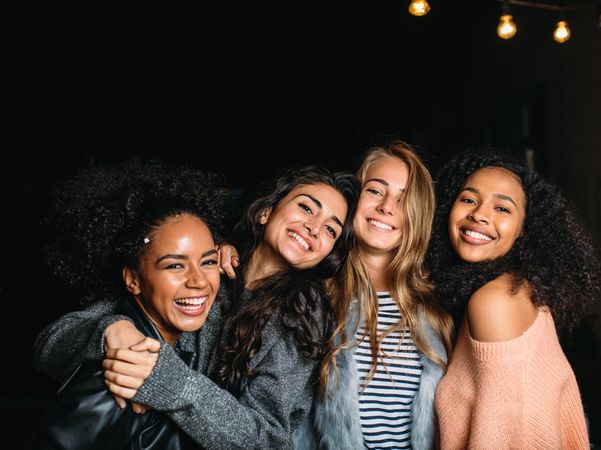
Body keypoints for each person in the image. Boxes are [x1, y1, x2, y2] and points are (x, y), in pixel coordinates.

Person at [33, 164, 360, 449]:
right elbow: (51, 342)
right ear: (265, 212)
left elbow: (268, 439)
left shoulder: (302, 314)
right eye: (306, 208)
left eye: (331, 228)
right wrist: (110, 331)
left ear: (328, 250)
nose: (314, 227)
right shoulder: (204, 264)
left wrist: (172, 384)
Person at [30, 158, 235, 449]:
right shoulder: (117, 380)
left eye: (208, 261)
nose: (199, 281)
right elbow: (50, 342)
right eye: (175, 266)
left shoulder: (181, 341)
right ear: (133, 280)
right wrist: (110, 328)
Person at [427, 149, 601, 449]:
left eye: (503, 209)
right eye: (469, 199)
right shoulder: (517, 288)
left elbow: (504, 438)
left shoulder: (494, 302)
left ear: (524, 231)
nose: (480, 214)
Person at [293, 140, 454, 449]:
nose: (386, 207)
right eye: (375, 190)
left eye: (402, 199)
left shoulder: (438, 307)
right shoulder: (314, 298)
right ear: (354, 199)